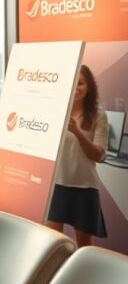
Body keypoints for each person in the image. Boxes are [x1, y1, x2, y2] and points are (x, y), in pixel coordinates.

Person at [46, 64, 109, 247]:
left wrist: (77, 132)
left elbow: (99, 155)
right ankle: (58, 275)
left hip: (84, 187)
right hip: (57, 184)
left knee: (84, 246)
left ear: (89, 86)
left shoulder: (98, 115)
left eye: (80, 83)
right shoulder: (56, 111)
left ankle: (84, 275)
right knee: (52, 244)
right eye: (72, 83)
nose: (76, 88)